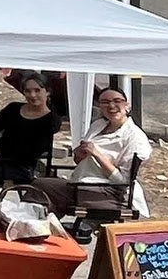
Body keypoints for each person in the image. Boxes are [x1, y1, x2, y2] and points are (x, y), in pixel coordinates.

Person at [27, 86, 152, 215]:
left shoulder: (134, 137)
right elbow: (79, 161)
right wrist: (79, 154)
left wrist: (97, 154)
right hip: (81, 184)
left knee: (43, 194)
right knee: (38, 185)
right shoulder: (98, 125)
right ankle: (48, 225)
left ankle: (49, 225)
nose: (111, 105)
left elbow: (123, 182)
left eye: (117, 101)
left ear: (127, 106)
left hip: (109, 192)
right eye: (105, 102)